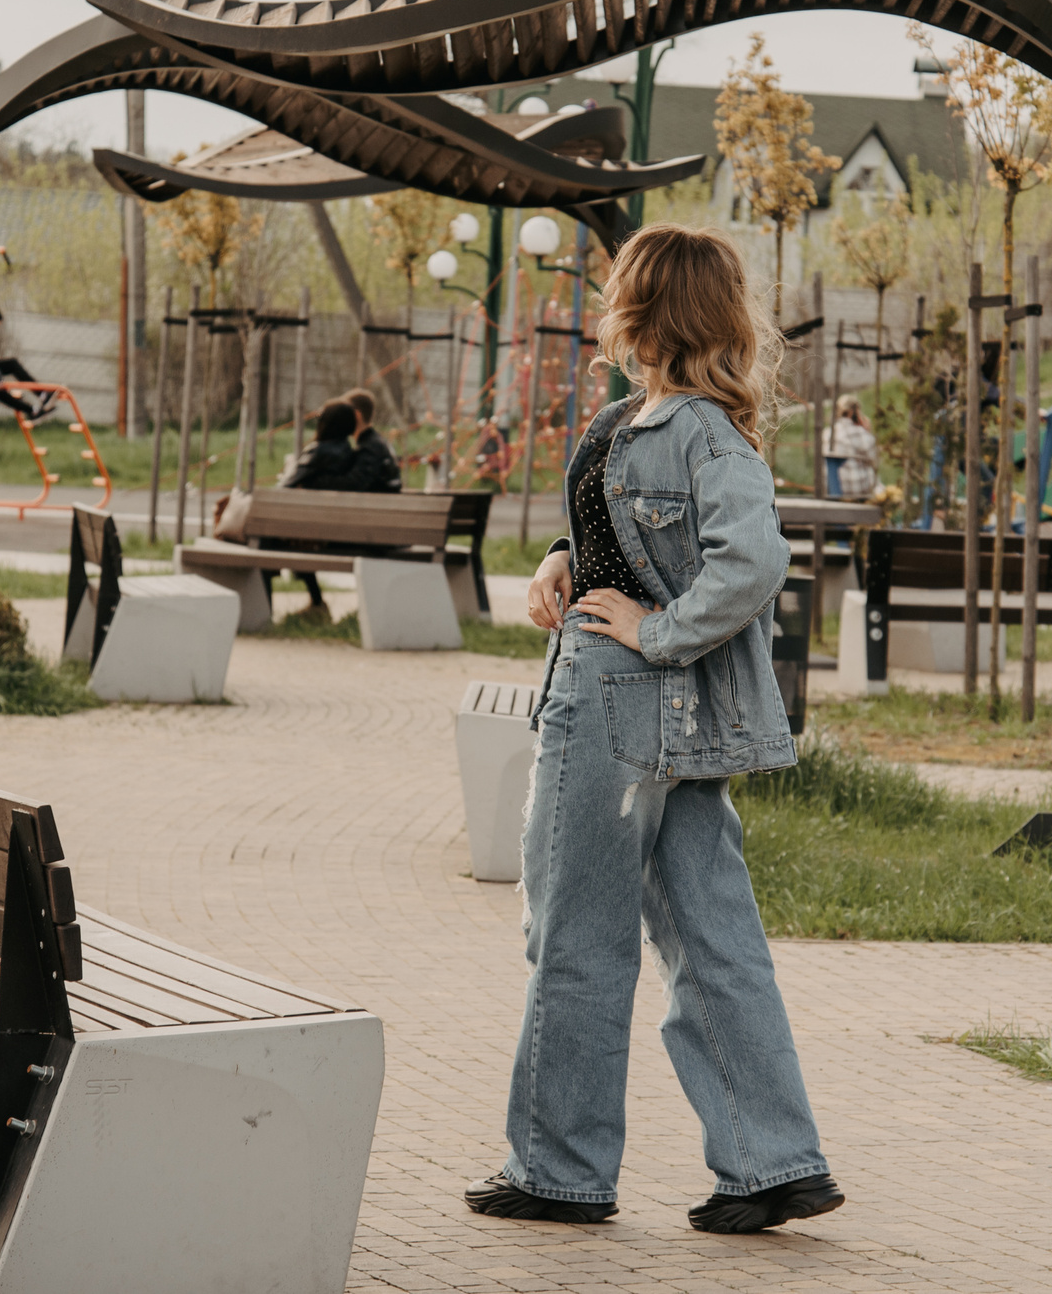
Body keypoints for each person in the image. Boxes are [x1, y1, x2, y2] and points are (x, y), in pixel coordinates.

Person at [464, 222, 842, 1235]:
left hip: (617, 701)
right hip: (669, 713)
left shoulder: (701, 431)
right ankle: (771, 1162)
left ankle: (559, 1169)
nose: (604, 299)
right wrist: (561, 562)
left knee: (575, 930)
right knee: (711, 935)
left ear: (644, 305)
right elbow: (622, 533)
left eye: (618, 286)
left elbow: (751, 562)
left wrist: (658, 630)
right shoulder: (635, 420)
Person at [277, 401, 362, 610]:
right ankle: (316, 601)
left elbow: (284, 488)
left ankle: (313, 602)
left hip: (312, 534)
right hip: (338, 532)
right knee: (298, 534)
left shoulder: (318, 451)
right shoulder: (350, 454)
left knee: (268, 541)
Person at [341, 387, 402, 492]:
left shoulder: (370, 447)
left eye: (344, 413)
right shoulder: (376, 442)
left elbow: (354, 483)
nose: (340, 418)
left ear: (357, 415)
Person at [822, 393, 878, 501]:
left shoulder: (827, 433)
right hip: (857, 491)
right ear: (853, 412)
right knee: (870, 470)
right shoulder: (860, 433)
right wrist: (867, 431)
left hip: (832, 491)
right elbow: (873, 458)